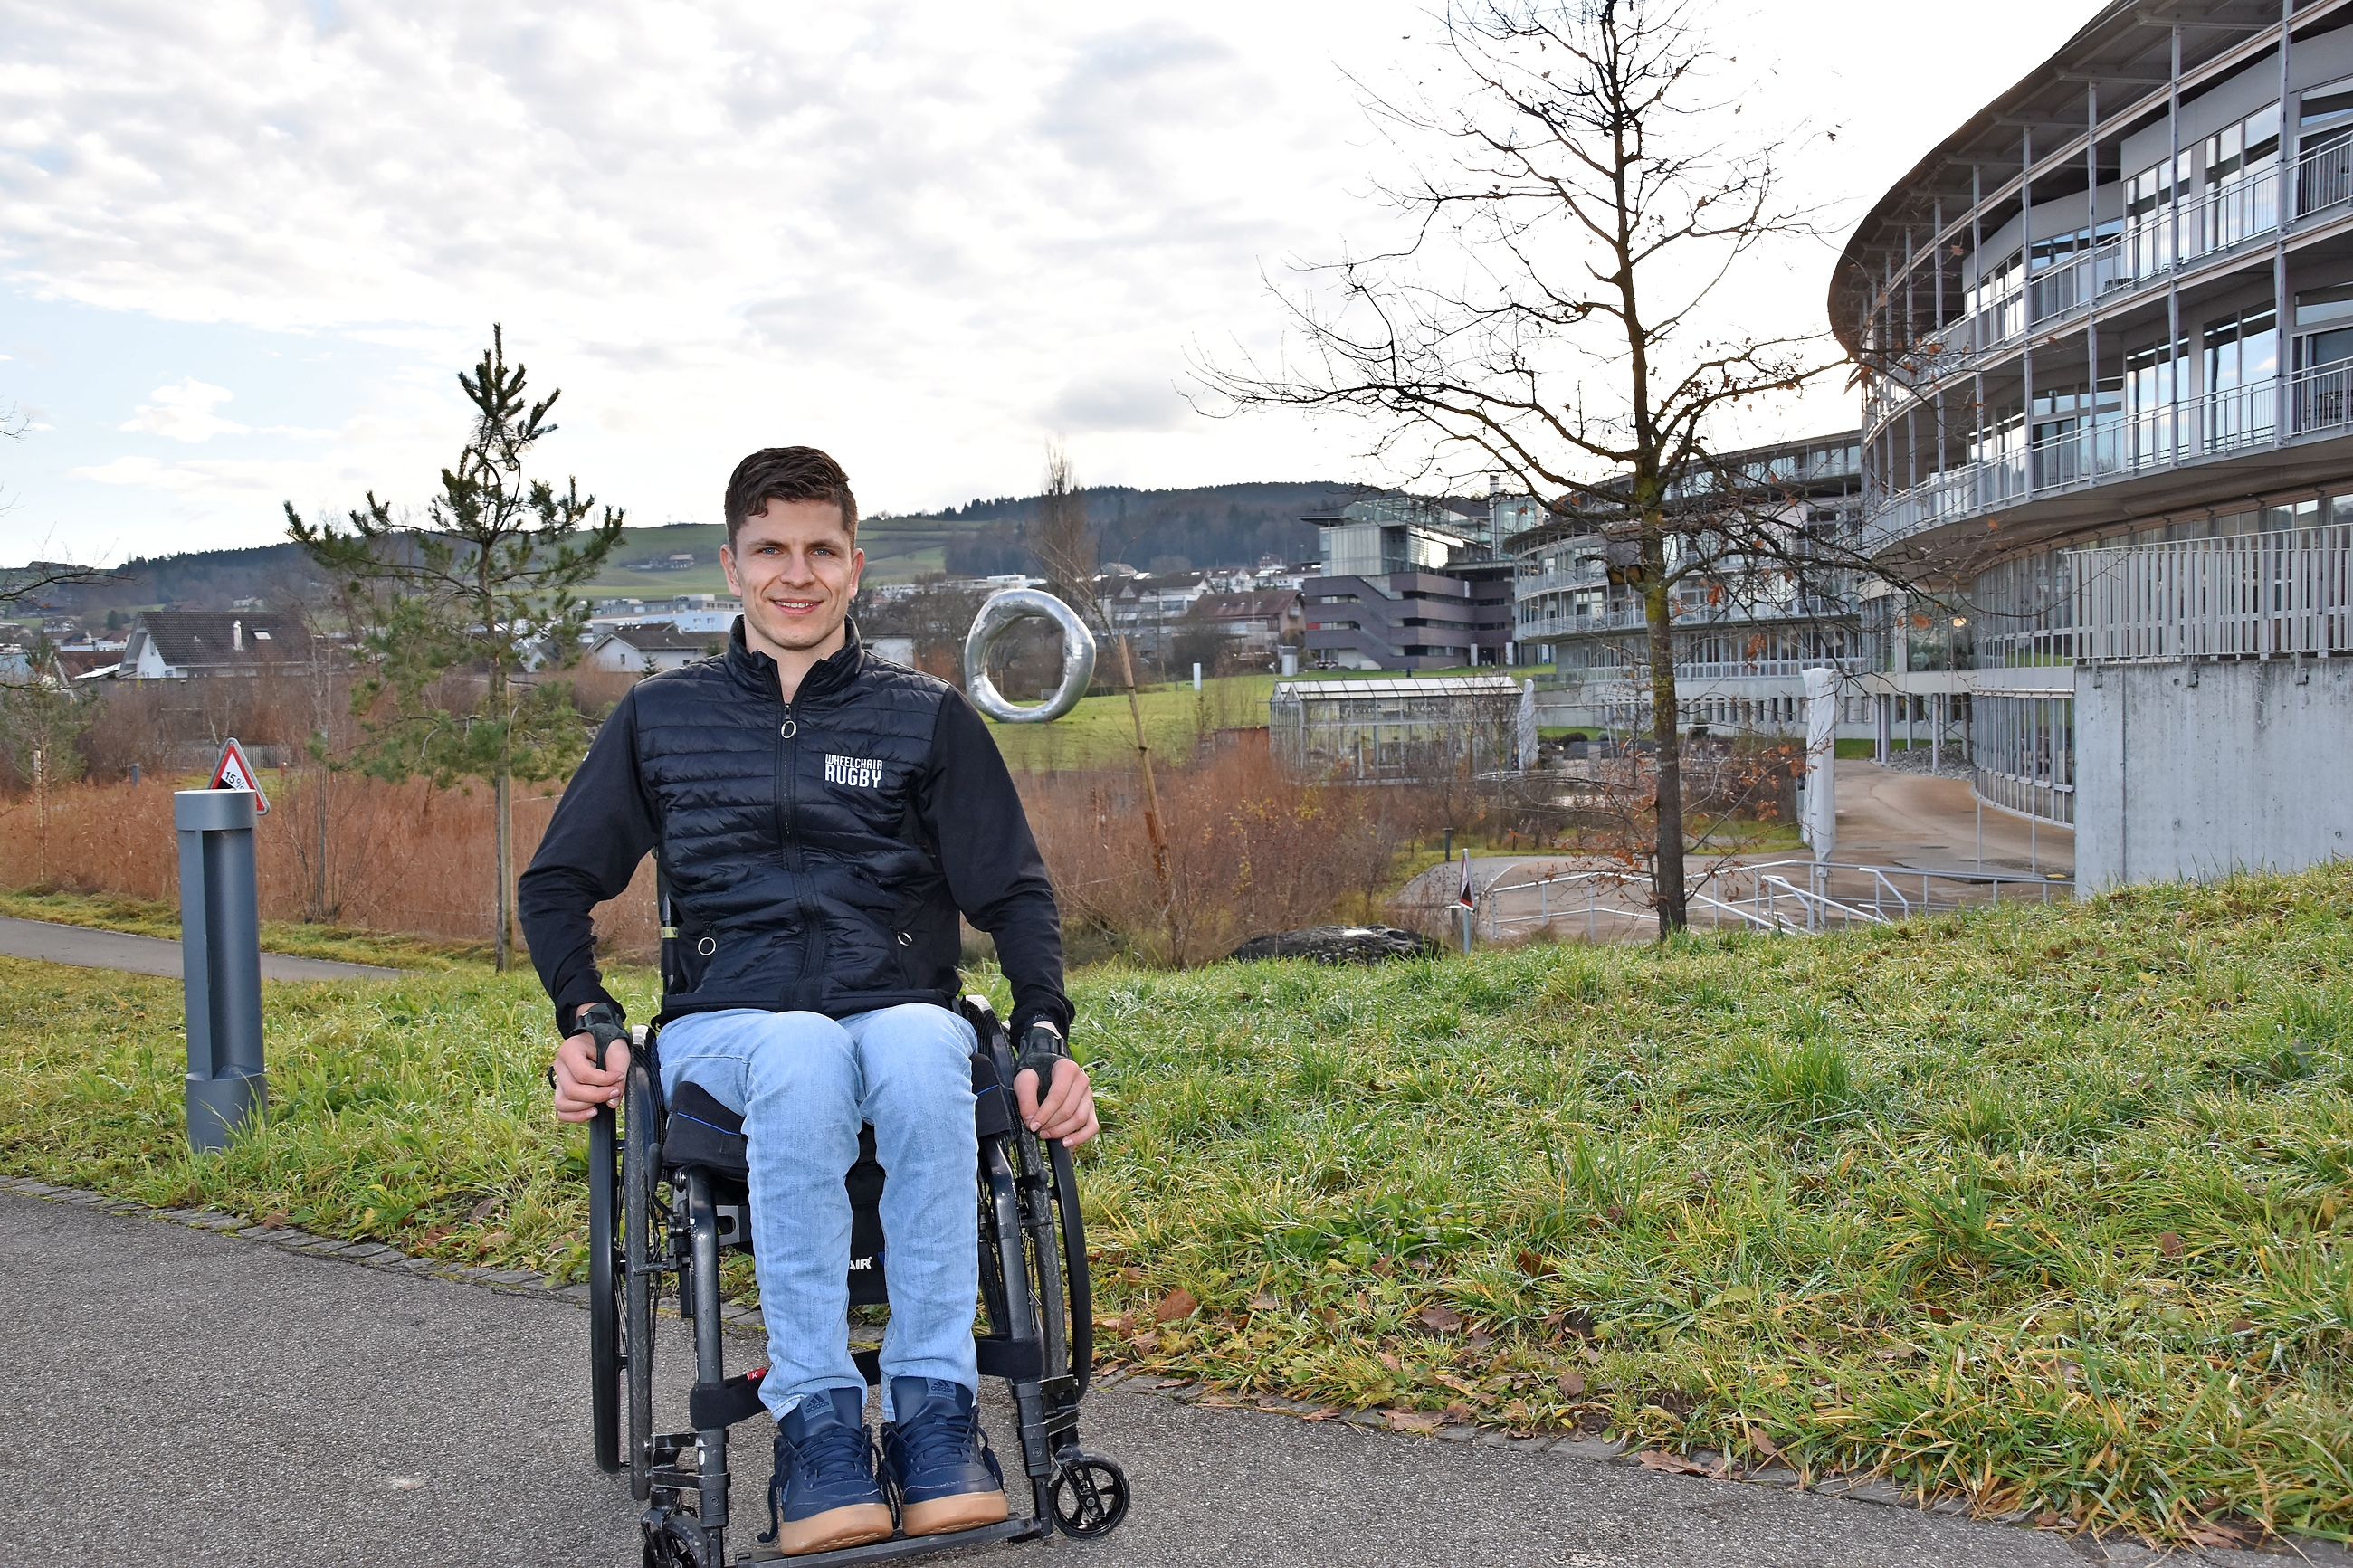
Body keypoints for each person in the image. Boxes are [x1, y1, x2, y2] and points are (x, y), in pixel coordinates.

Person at [519, 445, 1098, 1557]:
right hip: (728, 1023)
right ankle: (818, 1422)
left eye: (820, 550)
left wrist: (1042, 1032)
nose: (796, 573)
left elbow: (1014, 890)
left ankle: (934, 1410)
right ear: (731, 565)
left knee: (927, 1046)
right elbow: (556, 883)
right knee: (799, 1050)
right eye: (771, 550)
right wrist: (586, 1019)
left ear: (854, 565)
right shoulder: (660, 717)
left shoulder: (925, 717)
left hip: (897, 1007)